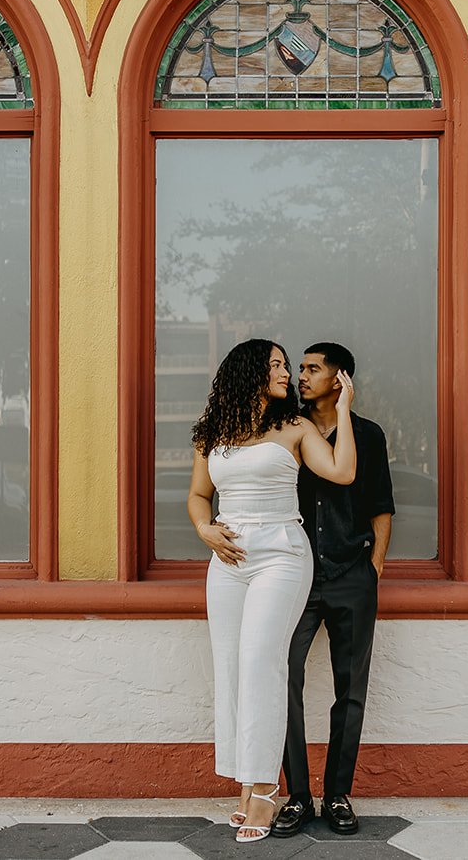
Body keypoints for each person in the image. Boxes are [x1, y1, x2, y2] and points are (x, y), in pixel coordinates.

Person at [189, 338, 356, 844]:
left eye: (288, 365)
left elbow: (343, 472)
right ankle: (245, 784)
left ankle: (266, 789)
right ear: (249, 373)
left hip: (280, 553)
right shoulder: (213, 432)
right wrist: (204, 529)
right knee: (232, 667)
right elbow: (199, 496)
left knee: (262, 661)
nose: (287, 373)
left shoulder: (296, 428)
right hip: (228, 559)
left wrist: (344, 410)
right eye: (278, 365)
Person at [274, 343, 394, 838]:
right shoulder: (287, 429)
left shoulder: (366, 434)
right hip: (297, 576)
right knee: (283, 680)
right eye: (298, 368)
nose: (301, 376)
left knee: (351, 690)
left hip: (352, 576)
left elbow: (381, 508)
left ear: (339, 378)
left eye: (312, 369)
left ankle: (338, 794)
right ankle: (297, 797)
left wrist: (374, 570)